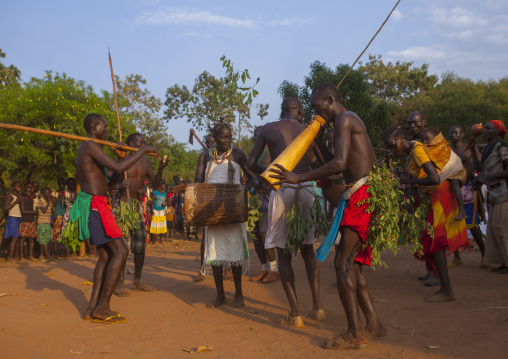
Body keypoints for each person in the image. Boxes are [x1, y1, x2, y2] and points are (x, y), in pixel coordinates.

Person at [269, 84, 385, 349]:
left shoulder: (344, 118)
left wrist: (298, 176)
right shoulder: (343, 120)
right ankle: (374, 324)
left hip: (361, 195)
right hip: (359, 194)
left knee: (342, 263)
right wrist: (316, 136)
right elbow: (333, 160)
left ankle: (355, 332)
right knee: (352, 264)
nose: (314, 111)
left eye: (315, 106)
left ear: (330, 100)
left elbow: (339, 165)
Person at [247, 97, 324, 328]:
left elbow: (251, 163)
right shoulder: (308, 131)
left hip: (282, 190)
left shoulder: (268, 129)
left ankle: (296, 314)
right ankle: (318, 308)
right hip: (304, 187)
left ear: (281, 111)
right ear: (300, 111)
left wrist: (273, 173)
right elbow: (319, 163)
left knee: (284, 253)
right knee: (308, 249)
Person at [73, 113, 157, 323]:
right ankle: (102, 307)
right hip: (94, 205)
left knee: (105, 257)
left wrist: (121, 157)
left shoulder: (94, 149)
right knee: (121, 250)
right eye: (104, 126)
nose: (107, 130)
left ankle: (92, 307)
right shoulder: (89, 145)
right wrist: (142, 151)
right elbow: (118, 169)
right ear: (94, 126)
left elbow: (111, 182)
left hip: (99, 204)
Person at [384, 126, 469, 302]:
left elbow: (434, 178)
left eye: (393, 145)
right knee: (432, 240)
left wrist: (410, 180)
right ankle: (445, 288)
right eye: (390, 148)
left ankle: (447, 291)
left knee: (436, 241)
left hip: (442, 194)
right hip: (437, 195)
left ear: (401, 138)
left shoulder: (417, 150)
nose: (392, 150)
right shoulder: (414, 149)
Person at [194, 120, 257, 308]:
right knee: (215, 253)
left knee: (235, 251)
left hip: (234, 209)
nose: (227, 140)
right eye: (223, 137)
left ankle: (238, 294)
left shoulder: (238, 154)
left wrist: (258, 185)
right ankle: (220, 295)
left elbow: (251, 174)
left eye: (230, 137)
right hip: (212, 210)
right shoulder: (205, 156)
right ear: (214, 138)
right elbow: (198, 179)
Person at [113, 132, 168, 296]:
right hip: (121, 205)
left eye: (144, 143)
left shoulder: (145, 161)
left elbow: (155, 183)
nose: (143, 146)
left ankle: (137, 280)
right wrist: (120, 185)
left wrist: (160, 169)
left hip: (136, 205)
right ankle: (119, 283)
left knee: (140, 245)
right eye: (139, 143)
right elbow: (110, 183)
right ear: (130, 143)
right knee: (122, 247)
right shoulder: (121, 160)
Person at [472, 120, 508, 273]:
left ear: (496, 131)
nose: (485, 131)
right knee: (493, 229)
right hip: (492, 193)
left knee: (501, 227)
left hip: (502, 192)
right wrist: (472, 147)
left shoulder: (502, 147)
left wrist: (487, 178)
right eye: (484, 128)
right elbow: (478, 168)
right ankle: (503, 262)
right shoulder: (486, 148)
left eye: (489, 128)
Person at [449, 125, 486, 267]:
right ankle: (457, 257)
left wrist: (478, 179)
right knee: (454, 224)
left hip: (469, 188)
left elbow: (480, 166)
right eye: (451, 132)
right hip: (453, 189)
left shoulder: (469, 147)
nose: (453, 135)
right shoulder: (449, 150)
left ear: (462, 134)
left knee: (471, 224)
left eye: (456, 132)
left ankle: (484, 254)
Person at [248, 126, 279, 284]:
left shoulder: (270, 153)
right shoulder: (254, 155)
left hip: (267, 197)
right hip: (254, 199)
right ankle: (265, 267)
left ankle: (274, 269)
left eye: (258, 135)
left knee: (263, 233)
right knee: (255, 235)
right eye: (254, 135)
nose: (255, 138)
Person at [4, 181, 22, 262]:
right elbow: (5, 208)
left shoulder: (18, 196)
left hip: (17, 218)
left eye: (19, 185)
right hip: (13, 218)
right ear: (13, 187)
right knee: (14, 238)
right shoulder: (10, 196)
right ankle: (10, 257)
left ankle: (13, 256)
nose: (19, 187)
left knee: (16, 238)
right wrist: (16, 202)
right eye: (17, 185)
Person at [19, 183, 37, 261]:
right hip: (25, 221)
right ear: (25, 192)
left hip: (31, 221)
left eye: (30, 192)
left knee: (31, 239)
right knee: (22, 239)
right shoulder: (23, 200)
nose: (29, 193)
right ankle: (21, 256)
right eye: (27, 191)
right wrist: (33, 212)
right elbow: (23, 211)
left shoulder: (31, 200)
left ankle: (30, 255)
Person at [36, 187, 54, 261]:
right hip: (41, 222)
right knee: (42, 239)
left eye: (49, 192)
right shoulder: (40, 200)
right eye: (47, 192)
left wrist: (52, 220)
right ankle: (41, 254)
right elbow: (44, 210)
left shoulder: (49, 201)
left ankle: (47, 254)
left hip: (47, 222)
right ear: (43, 193)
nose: (49, 194)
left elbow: (51, 211)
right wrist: (48, 201)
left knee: (49, 239)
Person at [52, 178, 67, 258]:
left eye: (63, 183)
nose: (61, 185)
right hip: (58, 215)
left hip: (65, 215)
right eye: (60, 183)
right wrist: (58, 197)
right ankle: (55, 251)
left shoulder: (67, 192)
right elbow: (52, 204)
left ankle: (64, 251)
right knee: (56, 233)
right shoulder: (55, 193)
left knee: (64, 233)